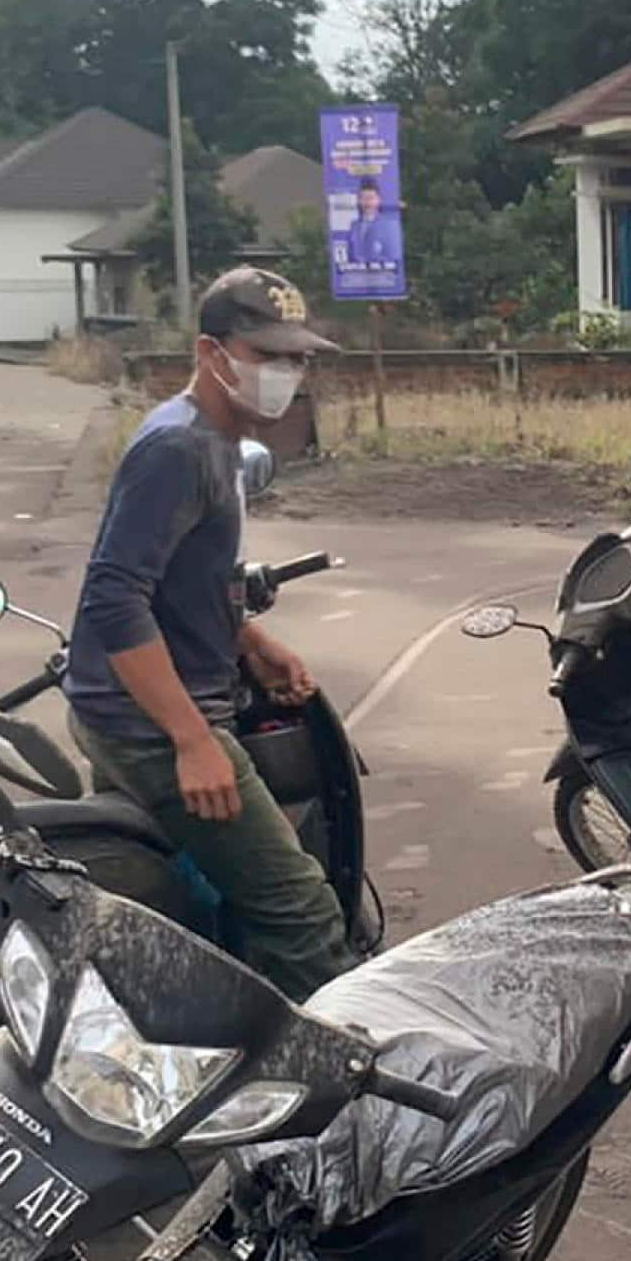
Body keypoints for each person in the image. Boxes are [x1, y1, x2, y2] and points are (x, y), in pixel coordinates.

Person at [63, 266, 350, 1001]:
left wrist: (252, 642)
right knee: (303, 913)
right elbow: (114, 598)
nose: (286, 373)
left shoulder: (219, 441)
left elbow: (185, 579)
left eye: (297, 359)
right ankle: (322, 1092)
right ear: (210, 353)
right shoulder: (177, 448)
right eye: (268, 356)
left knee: (186, 905)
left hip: (132, 709)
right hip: (152, 726)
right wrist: (191, 741)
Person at [344, 179, 403, 269]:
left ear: (378, 200)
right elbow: (350, 255)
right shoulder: (354, 226)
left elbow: (393, 257)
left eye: (371, 198)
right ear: (359, 201)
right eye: (363, 198)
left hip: (381, 277)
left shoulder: (388, 225)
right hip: (356, 278)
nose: (367, 202)